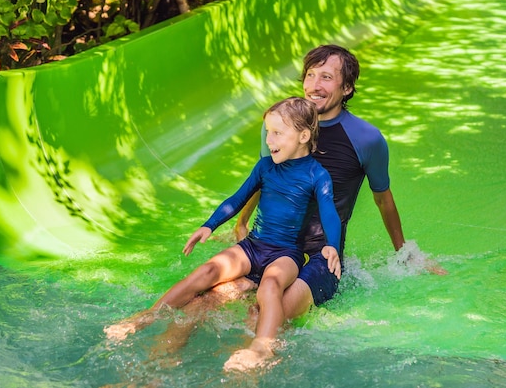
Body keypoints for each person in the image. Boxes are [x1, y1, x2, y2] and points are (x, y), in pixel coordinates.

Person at [224, 44, 447, 371]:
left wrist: (405, 252)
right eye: (310, 75)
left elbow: (383, 198)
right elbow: (266, 178)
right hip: (272, 245)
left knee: (264, 314)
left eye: (326, 77)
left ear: (347, 88)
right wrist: (241, 224)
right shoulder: (280, 126)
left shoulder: (366, 139)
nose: (315, 85)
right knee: (210, 298)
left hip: (319, 258)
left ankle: (248, 372)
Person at [104, 97, 342, 362]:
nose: (269, 141)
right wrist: (209, 225)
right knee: (208, 270)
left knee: (270, 285)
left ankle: (261, 347)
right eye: (267, 133)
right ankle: (146, 316)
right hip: (253, 246)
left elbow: (329, 212)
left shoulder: (316, 174)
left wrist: (331, 244)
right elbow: (237, 198)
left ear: (303, 135)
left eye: (277, 133)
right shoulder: (265, 167)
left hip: (286, 254)